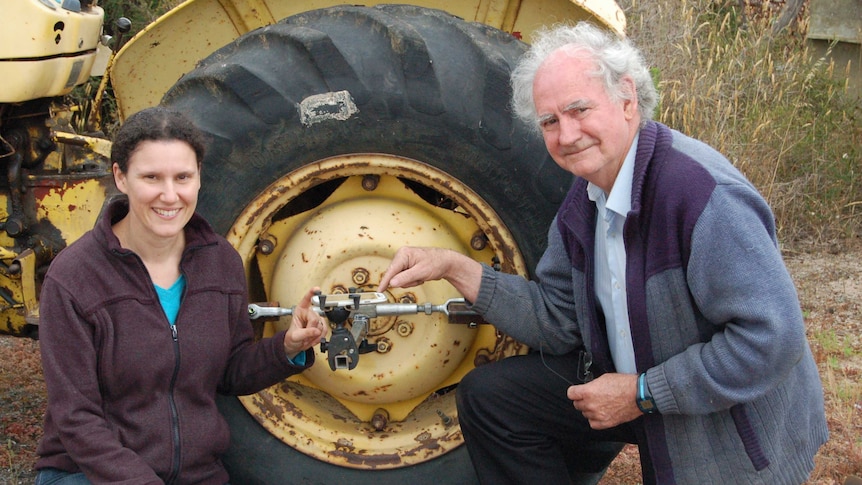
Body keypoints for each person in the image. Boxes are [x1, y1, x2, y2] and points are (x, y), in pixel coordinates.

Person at [377, 22, 828, 484]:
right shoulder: (585, 199)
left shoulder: (701, 195)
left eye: (579, 110)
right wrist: (456, 267)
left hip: (727, 419)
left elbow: (772, 340)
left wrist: (642, 392)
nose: (566, 135)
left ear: (627, 99)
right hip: (634, 380)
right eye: (549, 121)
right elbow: (557, 320)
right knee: (494, 400)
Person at [34, 107, 327, 484]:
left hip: (195, 474)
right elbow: (75, 419)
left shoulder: (221, 261)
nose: (169, 195)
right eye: (151, 177)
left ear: (199, 177)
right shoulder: (74, 277)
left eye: (183, 177)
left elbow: (230, 372)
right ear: (120, 178)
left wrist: (287, 346)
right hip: (90, 473)